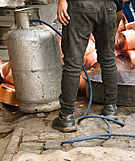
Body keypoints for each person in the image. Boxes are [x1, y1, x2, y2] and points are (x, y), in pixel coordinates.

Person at [52, 0, 122, 133]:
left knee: (73, 63)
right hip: (108, 7)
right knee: (108, 59)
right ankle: (111, 107)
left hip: (81, 6)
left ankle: (66, 116)